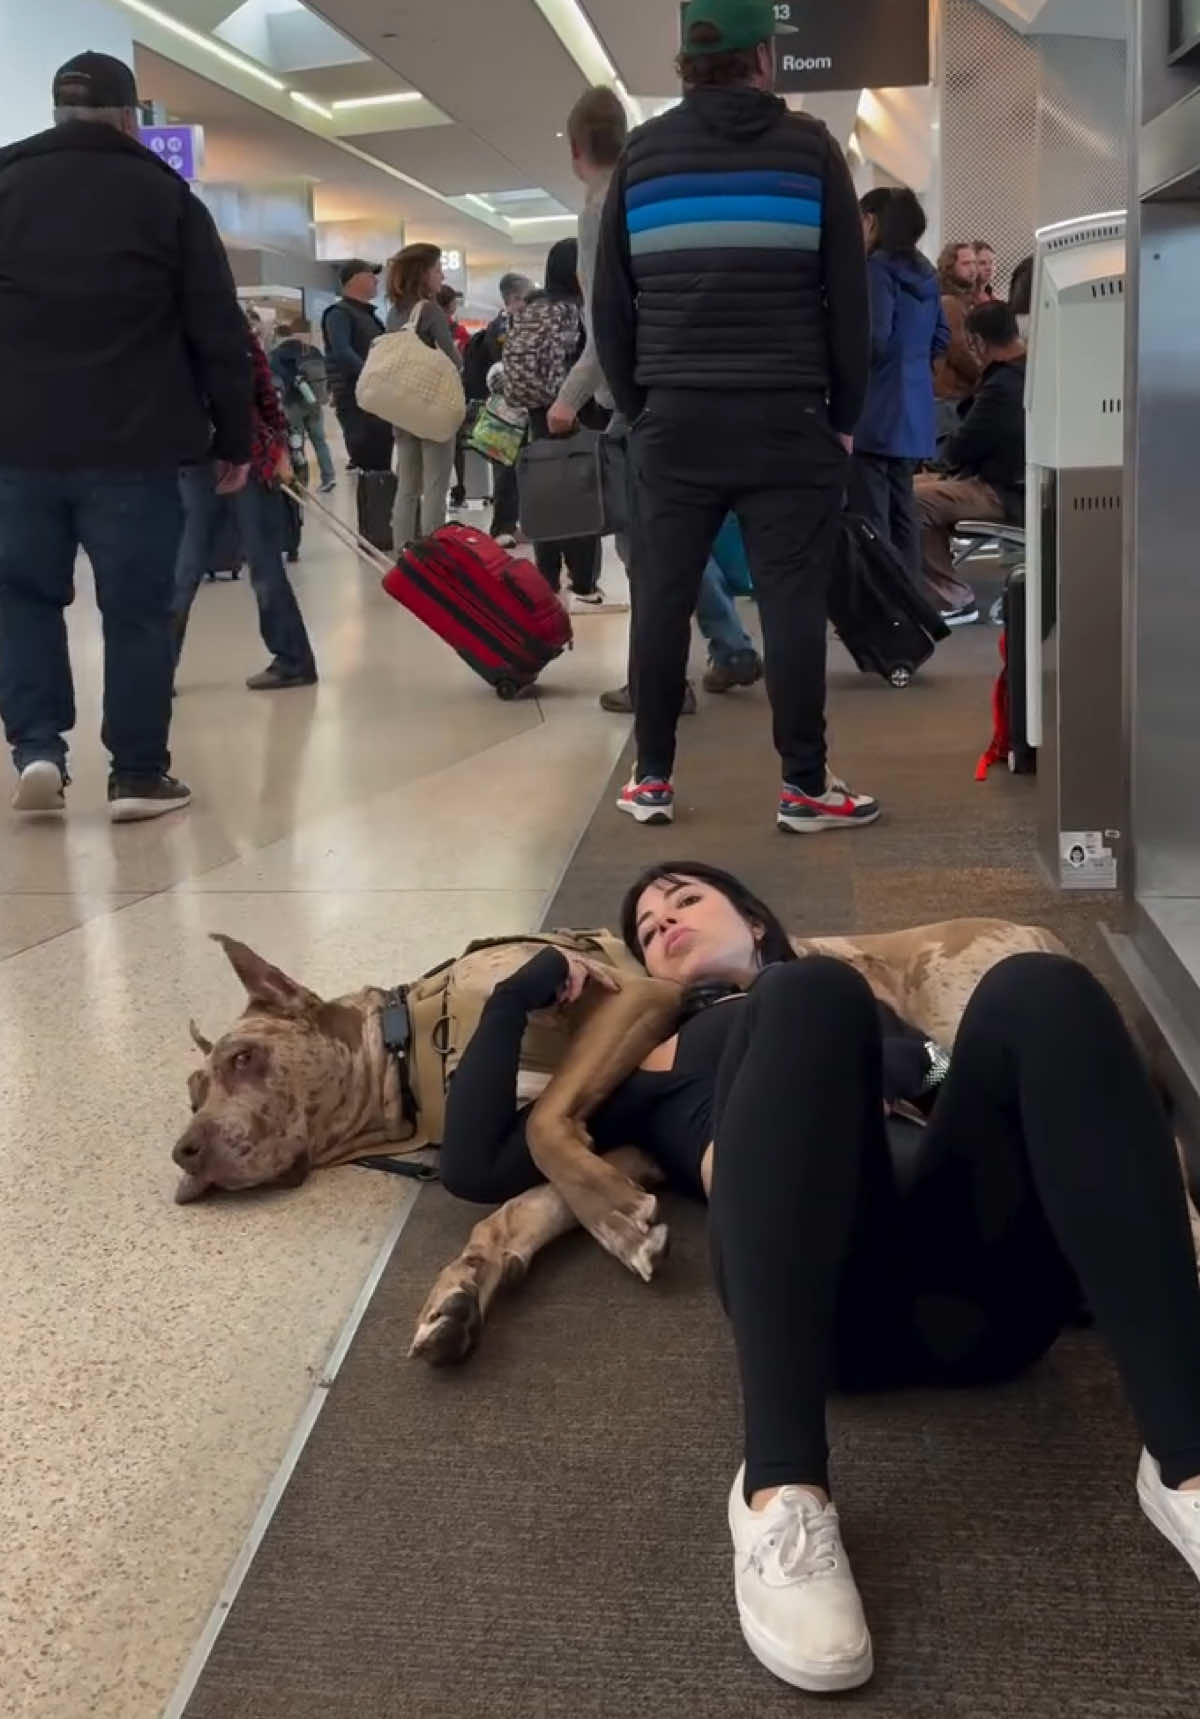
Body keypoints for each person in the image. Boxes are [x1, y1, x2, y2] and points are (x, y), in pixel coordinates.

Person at [438, 860, 1200, 1694]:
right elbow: (476, 1161)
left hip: (994, 1296)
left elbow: (966, 1082)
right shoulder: (648, 1063)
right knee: (805, 997)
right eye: (649, 929)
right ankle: (778, 1491)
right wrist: (518, 995)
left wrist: (928, 1070)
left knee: (1040, 986)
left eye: (686, 900)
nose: (666, 922)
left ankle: (1186, 1464)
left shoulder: (853, 998)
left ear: (755, 921)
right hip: (825, 1311)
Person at [593, 0, 877, 833]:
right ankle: (803, 786)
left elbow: (612, 304)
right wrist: (845, 413)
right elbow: (847, 302)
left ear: (688, 62)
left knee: (662, 595)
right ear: (765, 58)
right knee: (790, 600)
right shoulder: (810, 149)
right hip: (789, 411)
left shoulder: (642, 158)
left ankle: (651, 777)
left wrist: (644, 408)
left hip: (675, 418)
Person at [0, 51, 252, 823]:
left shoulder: (3, 181)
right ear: (129, 117)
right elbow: (217, 329)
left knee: (20, 599)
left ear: (55, 111)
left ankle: (39, 747)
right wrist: (234, 438)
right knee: (136, 609)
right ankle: (138, 774)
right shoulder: (165, 196)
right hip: (137, 447)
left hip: (16, 445)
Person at [175, 322, 317, 691]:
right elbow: (265, 391)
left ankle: (293, 659)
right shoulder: (221, 324)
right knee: (192, 565)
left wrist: (280, 445)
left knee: (204, 564)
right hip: (212, 457)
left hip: (231, 456)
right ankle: (292, 658)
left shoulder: (211, 327)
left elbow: (264, 392)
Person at [849, 187, 949, 578]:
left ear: (871, 220)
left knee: (872, 521)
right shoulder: (926, 275)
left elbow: (873, 339)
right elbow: (941, 337)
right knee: (903, 512)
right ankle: (910, 606)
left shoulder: (875, 270)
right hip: (914, 410)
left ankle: (883, 612)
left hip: (875, 410)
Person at [914, 299, 1026, 624]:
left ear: (977, 341)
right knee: (915, 489)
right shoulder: (1030, 371)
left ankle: (951, 599)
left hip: (1001, 490)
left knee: (911, 500)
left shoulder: (1001, 386)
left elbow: (961, 448)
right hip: (1015, 482)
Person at [508, 237, 606, 607]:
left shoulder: (530, 309)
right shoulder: (577, 309)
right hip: (574, 408)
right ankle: (584, 584)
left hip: (537, 412)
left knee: (545, 495)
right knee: (583, 494)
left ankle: (545, 579)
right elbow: (589, 360)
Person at [385, 242, 463, 548]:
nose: (441, 274)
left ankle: (404, 552)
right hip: (433, 408)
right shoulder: (428, 310)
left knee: (407, 486)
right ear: (422, 273)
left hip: (403, 407)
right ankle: (433, 554)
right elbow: (453, 361)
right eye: (436, 268)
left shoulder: (395, 312)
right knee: (435, 486)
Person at [321, 260, 392, 476]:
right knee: (369, 465)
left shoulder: (370, 317)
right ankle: (372, 509)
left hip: (375, 399)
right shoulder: (339, 314)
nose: (376, 280)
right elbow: (342, 352)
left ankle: (381, 509)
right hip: (356, 399)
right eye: (370, 275)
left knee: (381, 466)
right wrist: (373, 376)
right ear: (355, 280)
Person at [478, 273, 534, 546]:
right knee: (505, 470)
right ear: (513, 299)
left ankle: (521, 524)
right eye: (528, 297)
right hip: (505, 412)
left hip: (527, 409)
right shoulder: (500, 328)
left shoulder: (527, 324)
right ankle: (502, 527)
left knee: (526, 469)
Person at [269, 318, 336, 492]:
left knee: (296, 443)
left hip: (292, 404)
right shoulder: (313, 351)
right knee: (320, 441)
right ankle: (329, 477)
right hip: (314, 401)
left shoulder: (277, 353)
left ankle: (301, 482)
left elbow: (274, 380)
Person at [932, 240, 981, 445]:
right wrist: (984, 374)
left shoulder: (962, 301)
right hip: (950, 397)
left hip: (954, 396)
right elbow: (959, 350)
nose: (973, 269)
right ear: (949, 267)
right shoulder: (950, 303)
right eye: (965, 264)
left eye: (974, 263)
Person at [437, 285, 471, 508]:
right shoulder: (459, 333)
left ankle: (435, 492)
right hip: (455, 394)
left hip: (429, 395)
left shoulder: (419, 331)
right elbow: (466, 365)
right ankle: (459, 490)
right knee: (457, 446)